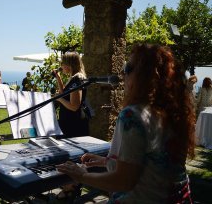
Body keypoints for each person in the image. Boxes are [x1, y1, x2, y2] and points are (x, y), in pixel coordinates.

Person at [57, 44, 195, 203]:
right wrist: (107, 161)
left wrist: (81, 175)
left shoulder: (133, 115)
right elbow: (151, 163)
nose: (122, 74)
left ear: (146, 76)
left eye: (128, 68)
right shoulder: (174, 113)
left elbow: (123, 182)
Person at [53, 51, 90, 138]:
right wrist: (58, 78)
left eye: (62, 63)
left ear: (69, 64)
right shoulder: (73, 77)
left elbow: (74, 106)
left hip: (73, 125)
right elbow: (64, 94)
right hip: (68, 123)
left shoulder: (77, 79)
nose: (61, 66)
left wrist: (59, 99)